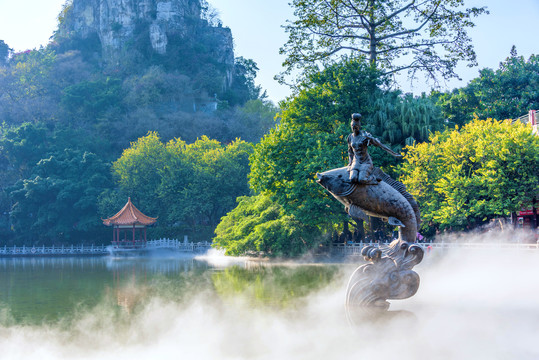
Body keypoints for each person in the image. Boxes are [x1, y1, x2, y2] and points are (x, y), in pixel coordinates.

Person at [347, 113, 402, 184]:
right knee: (353, 179)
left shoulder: (365, 135)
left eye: (356, 127)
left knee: (362, 179)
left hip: (365, 162)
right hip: (356, 161)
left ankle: (374, 178)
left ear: (359, 126)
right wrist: (350, 163)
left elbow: (379, 144)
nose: (354, 128)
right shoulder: (350, 137)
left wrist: (393, 153)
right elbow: (350, 151)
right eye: (353, 127)